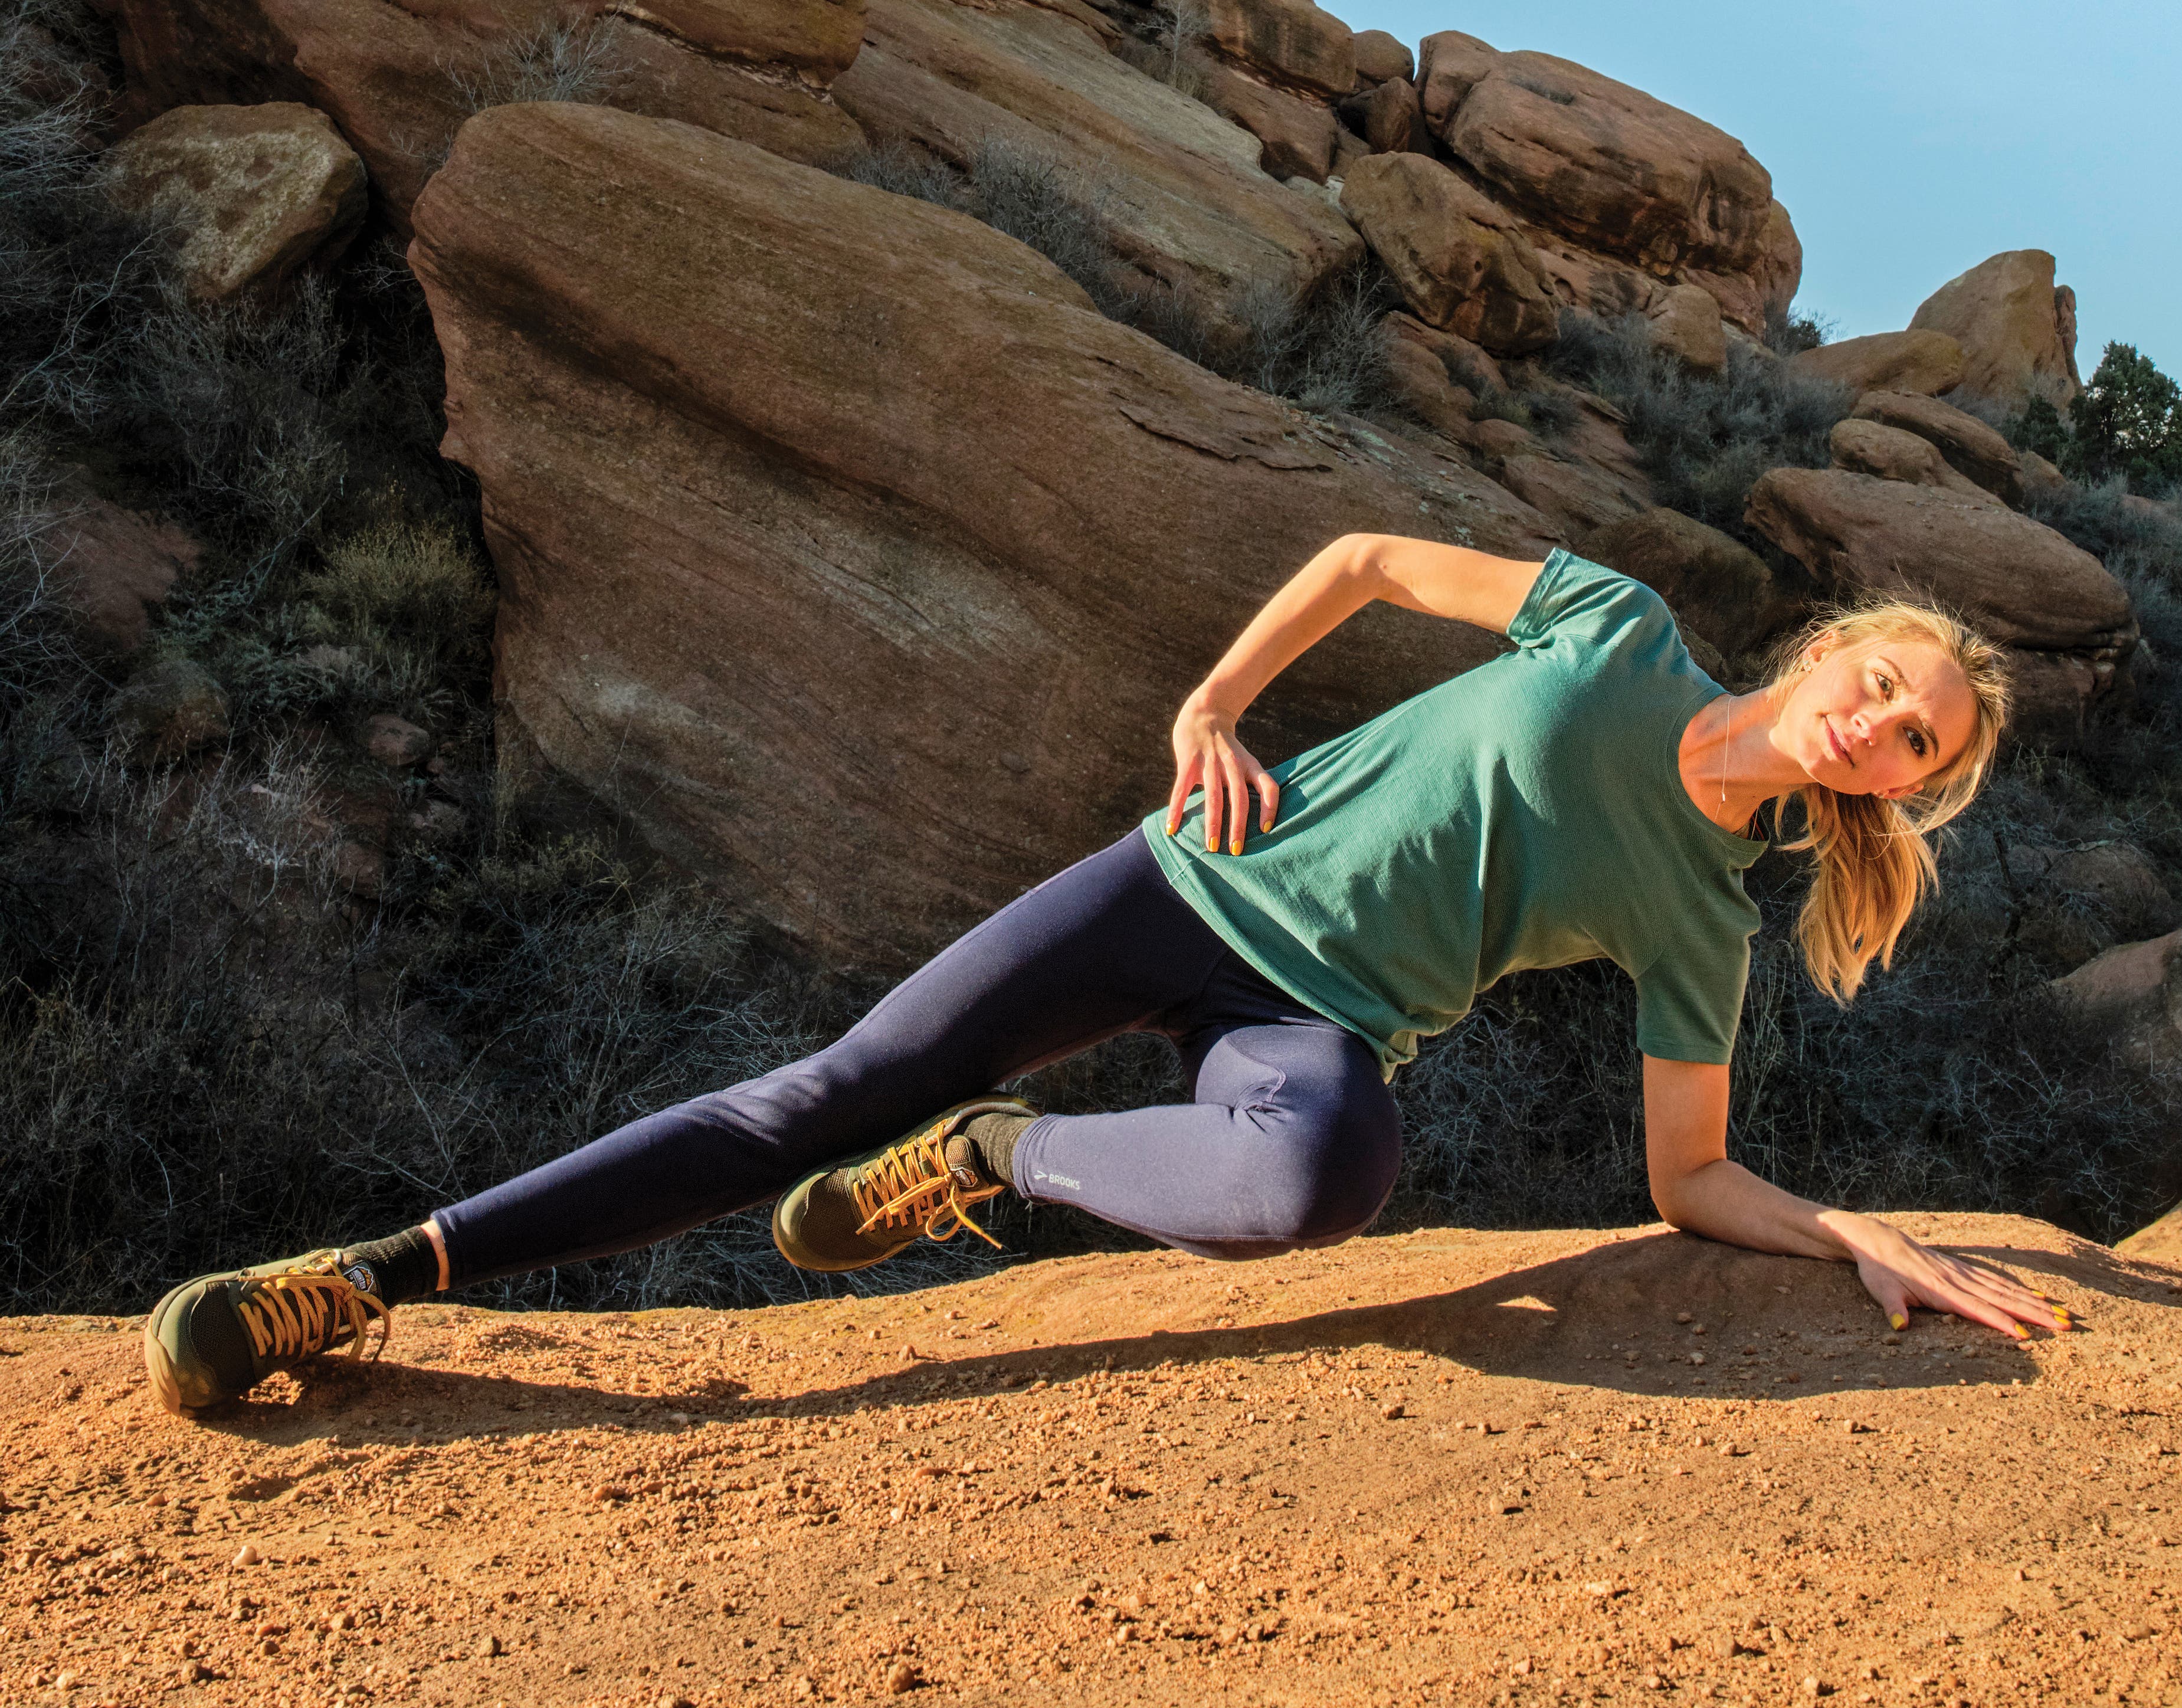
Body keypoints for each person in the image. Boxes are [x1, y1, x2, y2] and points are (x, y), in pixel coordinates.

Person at [143, 537, 2063, 1414]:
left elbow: (1687, 1180)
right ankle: (367, 1280)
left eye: (1916, 747)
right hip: (1185, 877)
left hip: (1313, 1030)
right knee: (816, 1103)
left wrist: (1851, 1240)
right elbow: (1374, 561)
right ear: (1830, 652)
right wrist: (1215, 702)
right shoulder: (1614, 623)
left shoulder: (1708, 916)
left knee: (1324, 1177)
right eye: (1883, 687)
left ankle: (1005, 1168)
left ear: (1904, 790)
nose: (1879, 729)